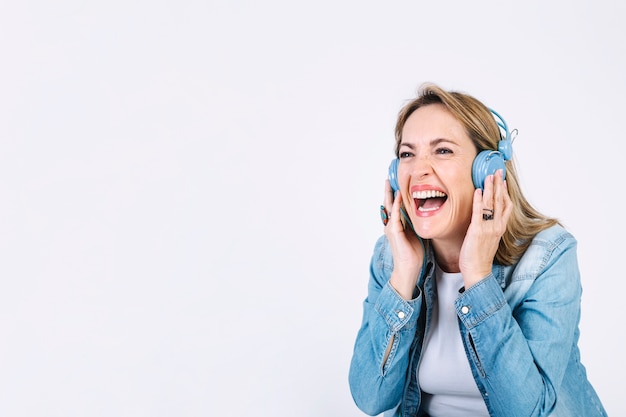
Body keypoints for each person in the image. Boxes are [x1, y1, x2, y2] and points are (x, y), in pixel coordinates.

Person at [348, 83, 607, 417]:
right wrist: (403, 276)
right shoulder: (391, 257)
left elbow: (528, 412)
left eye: (442, 151)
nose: (418, 169)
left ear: (489, 170)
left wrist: (477, 277)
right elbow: (371, 398)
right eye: (407, 154)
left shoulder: (547, 257)